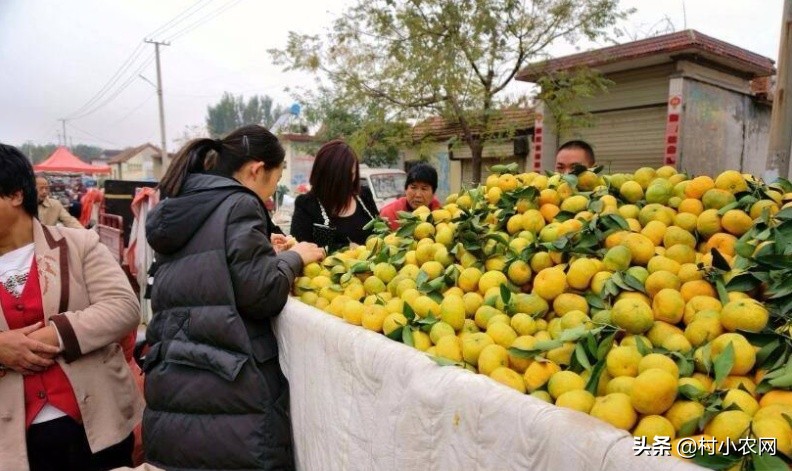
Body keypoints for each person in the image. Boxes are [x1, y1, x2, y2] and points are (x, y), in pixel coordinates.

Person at [142, 125, 325, 470]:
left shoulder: (181, 206)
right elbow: (262, 294)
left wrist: (264, 253)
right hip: (231, 392)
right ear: (257, 169)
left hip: (173, 388)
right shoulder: (240, 203)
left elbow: (211, 274)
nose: (271, 192)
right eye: (275, 179)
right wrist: (295, 257)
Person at [0, 143, 143, 471]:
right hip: (15, 443)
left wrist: (50, 337)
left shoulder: (78, 244)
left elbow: (123, 306)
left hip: (97, 426)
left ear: (15, 195)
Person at [290, 140, 380, 251]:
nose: (348, 183)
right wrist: (345, 249)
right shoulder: (307, 205)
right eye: (344, 178)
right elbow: (300, 250)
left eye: (352, 175)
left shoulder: (364, 196)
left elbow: (380, 231)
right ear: (326, 177)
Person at [379, 163, 441, 230]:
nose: (418, 195)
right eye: (413, 187)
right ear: (406, 189)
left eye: (424, 189)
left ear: (433, 193)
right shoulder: (388, 214)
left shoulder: (438, 212)